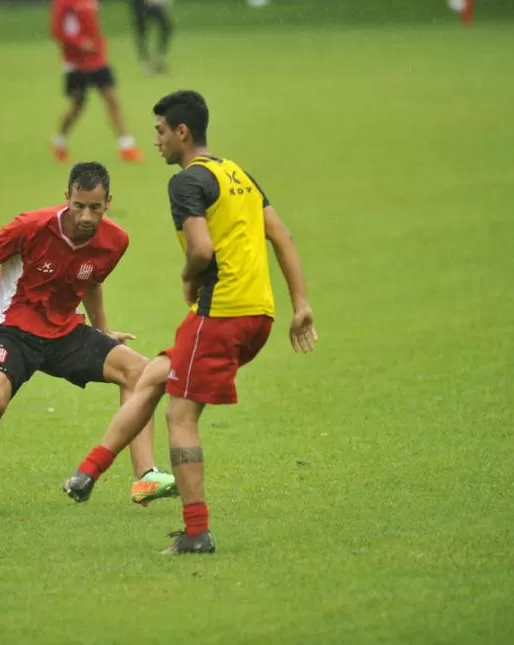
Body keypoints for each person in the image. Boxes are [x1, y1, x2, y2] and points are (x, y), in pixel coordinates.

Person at [63, 91, 318, 554]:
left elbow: (200, 250)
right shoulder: (236, 173)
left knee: (180, 416)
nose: (155, 139)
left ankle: (196, 533)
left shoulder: (186, 183)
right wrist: (300, 304)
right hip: (258, 313)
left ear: (182, 132)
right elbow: (282, 234)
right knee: (157, 374)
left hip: (221, 312)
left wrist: (188, 279)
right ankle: (89, 470)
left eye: (160, 130)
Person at [0, 162, 176, 513]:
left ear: (108, 202)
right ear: (67, 198)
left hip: (64, 332)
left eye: (95, 207)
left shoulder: (115, 241)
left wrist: (102, 328)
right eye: (79, 206)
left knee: (143, 372)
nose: (86, 216)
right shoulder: (30, 226)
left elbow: (91, 280)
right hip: (11, 331)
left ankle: (146, 476)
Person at [50, 0, 143, 164]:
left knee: (111, 99)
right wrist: (79, 42)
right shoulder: (63, 2)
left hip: (97, 59)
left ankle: (126, 146)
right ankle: (59, 142)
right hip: (76, 62)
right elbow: (57, 30)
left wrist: (101, 44)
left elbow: (93, 25)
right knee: (78, 105)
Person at [130, 0, 173, 74]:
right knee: (142, 30)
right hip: (139, 2)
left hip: (153, 3)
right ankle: (146, 62)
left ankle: (159, 58)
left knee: (166, 27)